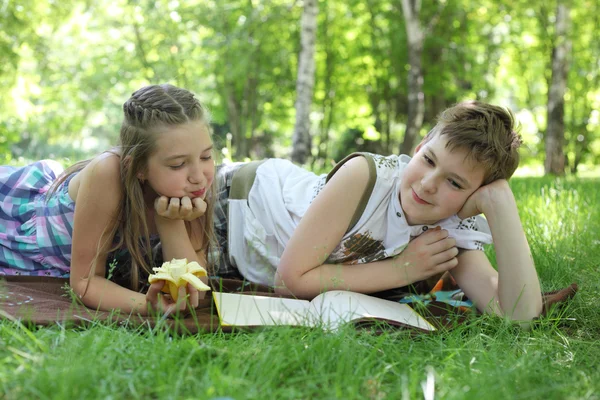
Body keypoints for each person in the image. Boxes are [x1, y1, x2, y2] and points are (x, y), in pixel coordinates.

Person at [213, 101, 543, 321]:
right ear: (418, 148)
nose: (428, 184)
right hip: (236, 203)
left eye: (454, 183)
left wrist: (500, 204)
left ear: (475, 197)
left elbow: (518, 316)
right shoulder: (365, 175)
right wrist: (403, 270)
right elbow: (290, 281)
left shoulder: (453, 228)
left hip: (246, 256)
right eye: (428, 160)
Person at [0, 84, 216, 315]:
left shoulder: (193, 190)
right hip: (11, 223)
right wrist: (150, 306)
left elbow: (195, 292)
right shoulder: (107, 172)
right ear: (138, 167)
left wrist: (170, 222)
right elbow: (85, 282)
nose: (198, 176)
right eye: (178, 164)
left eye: (206, 156)